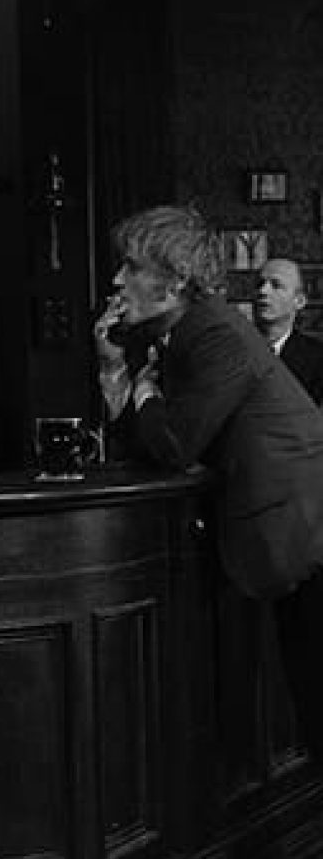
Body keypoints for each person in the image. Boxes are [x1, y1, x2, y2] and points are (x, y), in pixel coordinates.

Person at [93, 204, 323, 764]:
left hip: (302, 532)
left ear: (172, 284)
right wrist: (115, 370)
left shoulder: (214, 333)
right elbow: (141, 444)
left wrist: (144, 394)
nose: (118, 280)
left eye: (131, 267)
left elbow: (174, 445)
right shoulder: (176, 335)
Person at [254, 257, 323, 404]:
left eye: (276, 285)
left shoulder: (317, 359)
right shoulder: (233, 350)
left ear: (299, 301)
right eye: (260, 284)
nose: (263, 291)